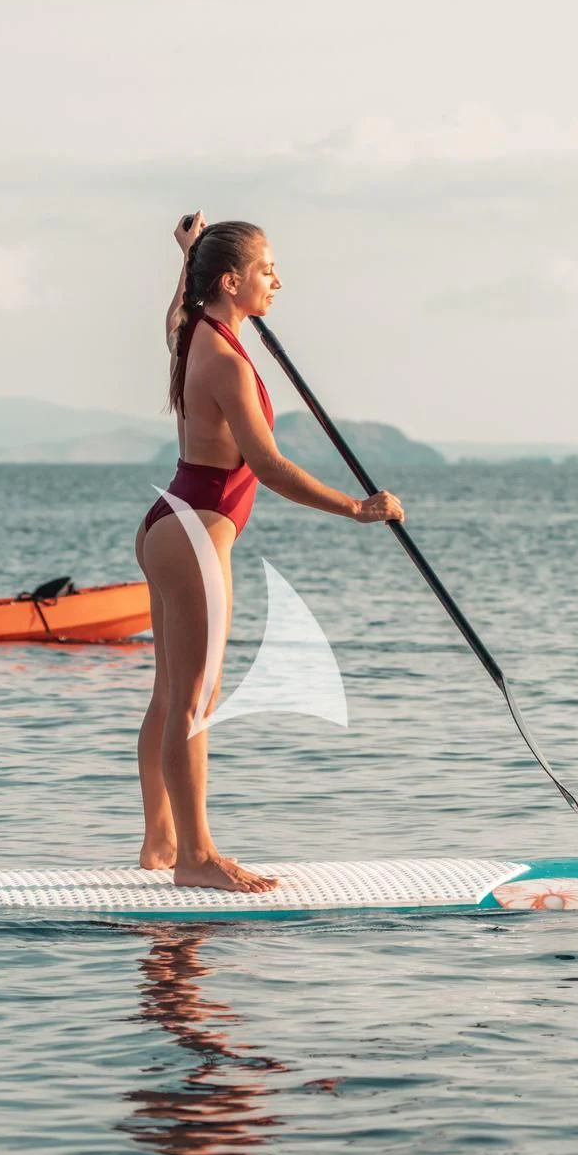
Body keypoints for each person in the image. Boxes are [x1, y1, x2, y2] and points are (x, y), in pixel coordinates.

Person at [134, 214, 403, 892]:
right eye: (266, 270)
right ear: (232, 281)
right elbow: (272, 467)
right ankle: (195, 856)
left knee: (173, 696)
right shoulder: (224, 358)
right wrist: (356, 507)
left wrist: (189, 257)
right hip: (197, 535)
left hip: (169, 523)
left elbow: (178, 308)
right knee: (195, 700)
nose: (277, 280)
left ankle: (161, 841)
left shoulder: (197, 330)